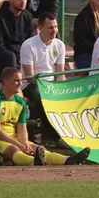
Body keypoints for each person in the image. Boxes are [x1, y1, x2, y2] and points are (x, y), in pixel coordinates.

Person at [0, 67, 90, 166]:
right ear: (5, 82)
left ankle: (67, 160)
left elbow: (22, 130)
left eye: (21, 80)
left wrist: (25, 143)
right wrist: (18, 145)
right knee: (13, 149)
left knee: (37, 149)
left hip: (13, 137)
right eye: (16, 80)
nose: (20, 84)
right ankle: (33, 161)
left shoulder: (20, 103)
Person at [20, 12, 67, 146]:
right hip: (31, 85)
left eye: (56, 27)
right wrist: (48, 87)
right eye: (50, 28)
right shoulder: (28, 45)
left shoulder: (60, 45)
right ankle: (57, 137)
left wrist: (63, 90)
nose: (54, 31)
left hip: (50, 84)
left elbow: (60, 73)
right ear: (40, 28)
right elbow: (29, 77)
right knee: (39, 95)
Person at [0, 0, 34, 69]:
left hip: (22, 56)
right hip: (5, 56)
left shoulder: (28, 17)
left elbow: (30, 41)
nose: (23, 2)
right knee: (10, 56)